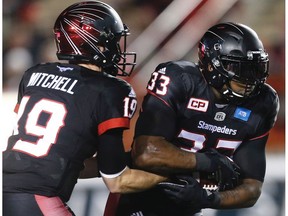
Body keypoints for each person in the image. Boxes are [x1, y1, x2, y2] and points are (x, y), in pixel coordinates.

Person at [3, 1, 170, 215]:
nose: (116, 48)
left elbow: (67, 162)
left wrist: (129, 159)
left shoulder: (33, 74)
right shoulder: (110, 89)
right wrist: (171, 174)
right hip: (38, 198)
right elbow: (118, 181)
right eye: (111, 42)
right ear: (91, 43)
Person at [105, 22, 280, 215]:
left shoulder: (264, 101)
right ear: (212, 64)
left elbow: (252, 189)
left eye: (255, 68)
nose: (250, 78)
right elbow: (146, 153)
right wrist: (209, 162)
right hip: (140, 196)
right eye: (239, 68)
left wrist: (207, 198)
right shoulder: (180, 79)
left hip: (189, 204)